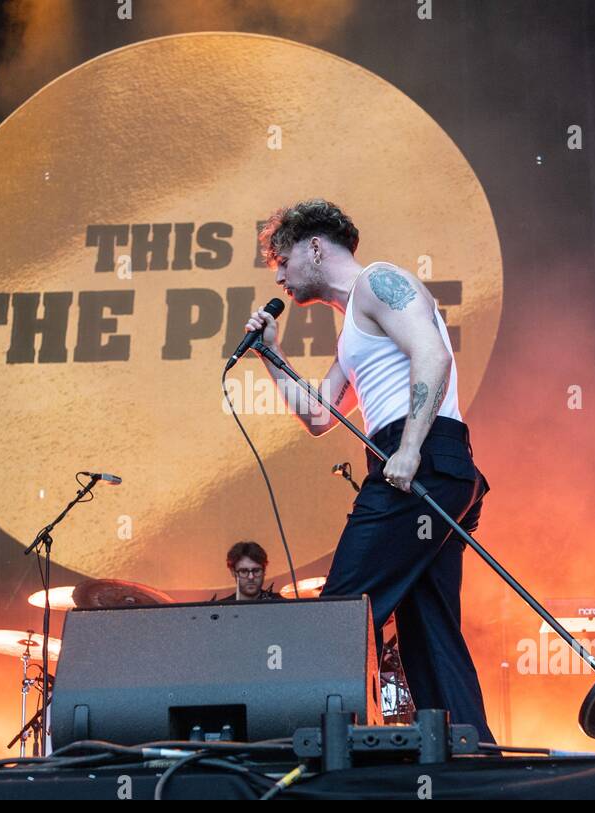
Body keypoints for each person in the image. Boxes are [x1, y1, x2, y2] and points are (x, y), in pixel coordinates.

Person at [248, 198, 494, 742]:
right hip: (428, 466)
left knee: (340, 613)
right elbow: (318, 417)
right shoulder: (352, 331)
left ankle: (313, 753)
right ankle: (471, 759)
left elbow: (433, 355)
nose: (281, 276)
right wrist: (272, 355)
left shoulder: (380, 281)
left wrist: (409, 449)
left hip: (419, 459)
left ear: (314, 245)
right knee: (429, 631)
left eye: (282, 260)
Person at [212, 541, 284, 602]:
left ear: (264, 570)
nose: (251, 577)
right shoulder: (222, 609)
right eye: (243, 571)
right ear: (233, 572)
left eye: (256, 571)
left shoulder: (283, 605)